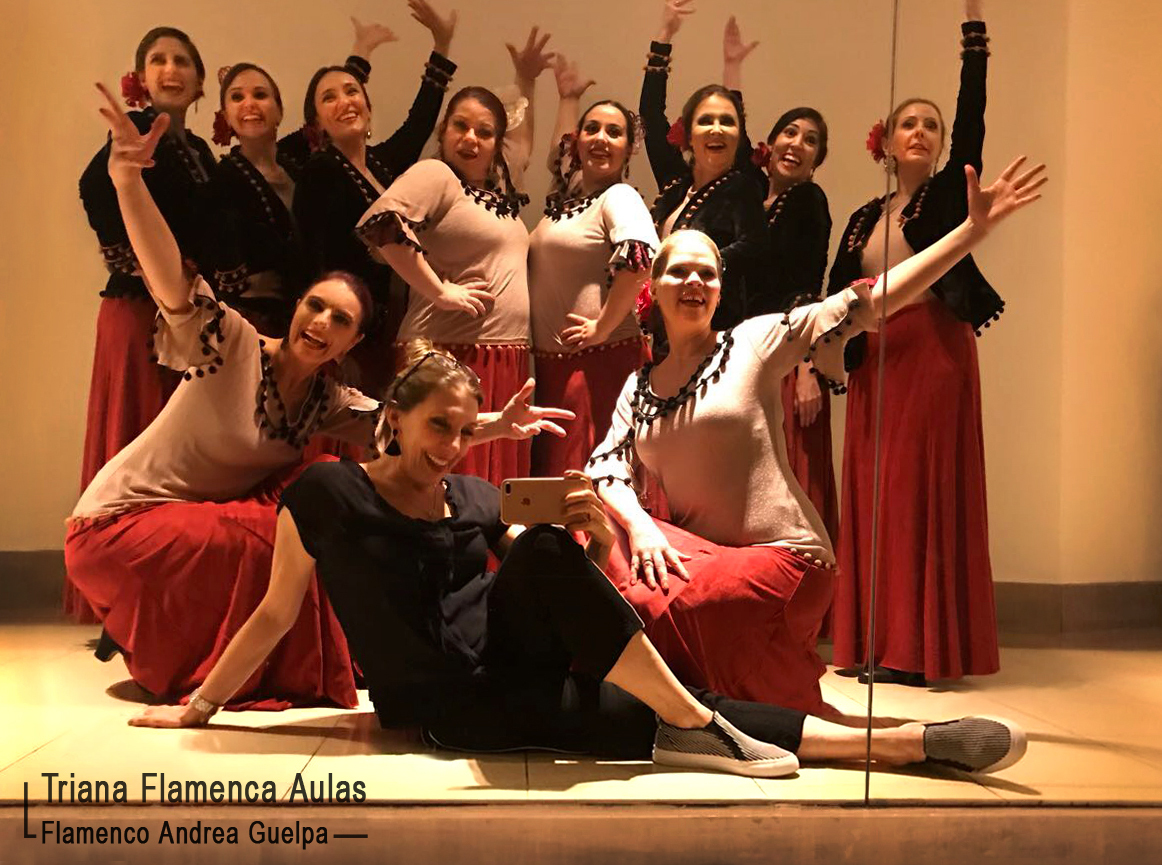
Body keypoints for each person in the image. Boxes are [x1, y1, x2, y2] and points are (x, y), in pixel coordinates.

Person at [128, 340, 1028, 782]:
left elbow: (542, 585)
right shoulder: (328, 493)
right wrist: (200, 708)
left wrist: (588, 531)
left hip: (512, 668)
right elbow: (276, 613)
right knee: (652, 718)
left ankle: (905, 743)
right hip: (444, 707)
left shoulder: (474, 500)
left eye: (461, 426)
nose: (450, 445)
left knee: (560, 557)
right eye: (435, 425)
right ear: (392, 418)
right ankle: (884, 745)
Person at [65, 85, 566, 708]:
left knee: (306, 516)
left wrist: (499, 426)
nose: (322, 324)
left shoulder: (324, 402)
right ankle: (238, 672)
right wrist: (127, 183)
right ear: (297, 308)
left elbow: (409, 425)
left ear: (354, 340)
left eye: (342, 321)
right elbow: (168, 281)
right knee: (279, 527)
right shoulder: (233, 344)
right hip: (114, 522)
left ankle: (278, 668)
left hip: (186, 528)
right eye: (315, 306)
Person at [588, 151, 1046, 715]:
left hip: (785, 562)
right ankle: (730, 696)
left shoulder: (752, 344)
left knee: (660, 610)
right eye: (679, 270)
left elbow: (867, 299)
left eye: (708, 272)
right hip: (708, 564)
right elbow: (604, 469)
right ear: (653, 287)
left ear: (720, 290)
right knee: (601, 534)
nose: (694, 282)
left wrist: (971, 232)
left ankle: (706, 694)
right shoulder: (639, 387)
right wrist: (642, 528)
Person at [827, 0, 1001, 686]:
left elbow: (972, 119)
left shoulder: (949, 198)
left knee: (915, 492)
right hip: (876, 362)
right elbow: (838, 294)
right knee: (875, 497)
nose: (922, 132)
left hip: (933, 356)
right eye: (910, 123)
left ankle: (916, 647)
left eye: (931, 124)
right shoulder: (865, 215)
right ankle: (874, 640)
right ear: (888, 142)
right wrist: (822, 360)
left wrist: (974, 37)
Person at [355, 28, 555, 486]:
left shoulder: (499, 192)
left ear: (496, 143)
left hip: (502, 359)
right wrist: (439, 290)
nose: (470, 138)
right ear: (443, 130)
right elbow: (383, 228)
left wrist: (526, 81)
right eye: (460, 126)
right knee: (435, 484)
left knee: (487, 492)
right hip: (446, 353)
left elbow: (521, 140)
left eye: (484, 132)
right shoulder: (435, 175)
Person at [73, 27, 216, 621]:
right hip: (139, 317)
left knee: (179, 453)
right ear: (140, 75)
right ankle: (123, 602)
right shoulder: (127, 136)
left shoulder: (203, 153)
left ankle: (172, 594)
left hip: (189, 319)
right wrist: (146, 266)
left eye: (183, 60)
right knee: (138, 448)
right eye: (158, 60)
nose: (171, 69)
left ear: (201, 82)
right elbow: (95, 190)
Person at [293, 0, 458, 396]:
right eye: (328, 97)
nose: (345, 101)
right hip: (345, 332)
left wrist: (442, 44)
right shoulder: (319, 171)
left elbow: (419, 123)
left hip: (387, 320)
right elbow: (318, 256)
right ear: (316, 122)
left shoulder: (383, 165)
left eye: (352, 91)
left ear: (367, 104)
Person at [721, 15, 838, 546]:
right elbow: (731, 137)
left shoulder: (809, 202)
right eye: (789, 132)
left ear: (816, 160)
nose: (797, 143)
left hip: (786, 354)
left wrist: (809, 367)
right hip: (742, 350)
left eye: (810, 140)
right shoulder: (748, 198)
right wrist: (733, 69)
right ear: (770, 143)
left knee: (791, 475)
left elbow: (809, 285)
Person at [207, 16, 398, 337]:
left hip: (313, 315)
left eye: (260, 95)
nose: (250, 104)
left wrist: (361, 52)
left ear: (280, 110)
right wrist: (243, 282)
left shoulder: (295, 162)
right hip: (257, 327)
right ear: (225, 116)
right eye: (237, 97)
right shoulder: (224, 180)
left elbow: (333, 113)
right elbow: (216, 256)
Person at [526, 55, 656, 476]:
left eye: (614, 132)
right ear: (577, 140)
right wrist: (568, 97)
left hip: (599, 364)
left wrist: (601, 326)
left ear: (629, 147)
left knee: (583, 481)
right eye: (592, 129)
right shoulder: (565, 205)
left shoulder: (619, 197)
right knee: (556, 477)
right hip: (556, 366)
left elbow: (639, 261)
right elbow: (555, 161)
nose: (601, 139)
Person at [639, 0, 766, 336]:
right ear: (688, 134)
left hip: (716, 334)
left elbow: (754, 247)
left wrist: (690, 269)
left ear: (739, 136)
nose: (717, 129)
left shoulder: (742, 187)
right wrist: (663, 37)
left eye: (727, 122)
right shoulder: (676, 184)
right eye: (706, 121)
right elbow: (651, 117)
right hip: (665, 332)